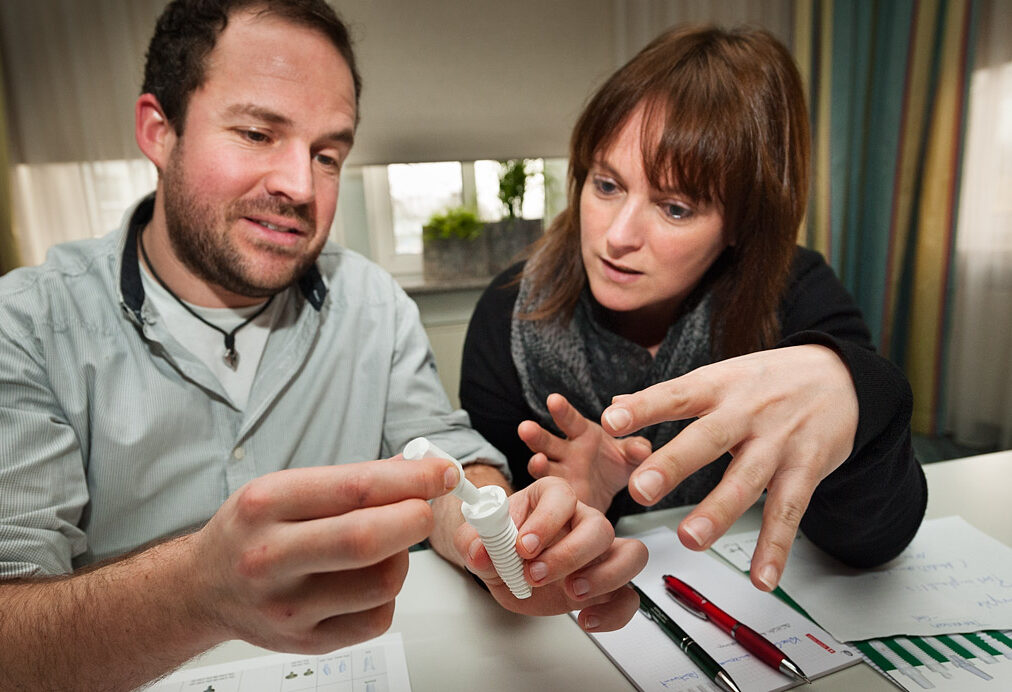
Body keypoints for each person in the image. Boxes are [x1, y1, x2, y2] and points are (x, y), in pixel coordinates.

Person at [0, 2, 646, 689]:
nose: (299, 187)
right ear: (159, 131)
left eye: (328, 154)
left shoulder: (373, 305)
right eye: (256, 133)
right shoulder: (28, 326)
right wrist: (194, 592)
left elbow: (441, 459)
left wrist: (502, 539)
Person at [461, 25, 927, 594]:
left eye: (675, 208)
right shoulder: (509, 317)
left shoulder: (795, 295)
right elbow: (502, 562)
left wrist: (854, 393)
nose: (618, 236)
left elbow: (874, 543)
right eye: (607, 185)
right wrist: (572, 513)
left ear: (742, 225)